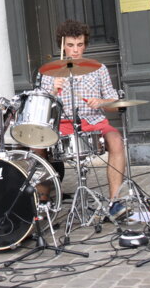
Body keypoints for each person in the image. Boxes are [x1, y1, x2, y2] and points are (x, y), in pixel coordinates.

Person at [40, 19, 127, 220]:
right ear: (62, 46)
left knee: (116, 140)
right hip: (62, 126)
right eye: (70, 45)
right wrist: (53, 90)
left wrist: (102, 102)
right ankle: (43, 201)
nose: (75, 50)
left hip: (94, 122)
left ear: (85, 45)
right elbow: (42, 107)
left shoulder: (99, 69)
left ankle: (115, 201)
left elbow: (114, 99)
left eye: (79, 45)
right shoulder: (50, 72)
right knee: (38, 147)